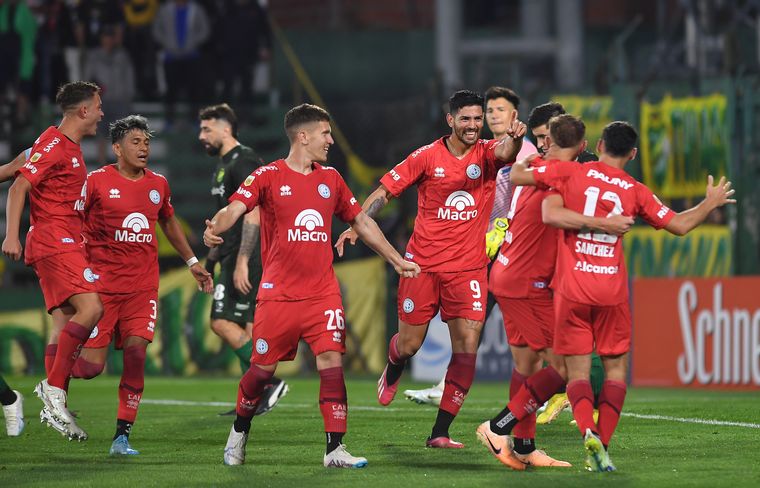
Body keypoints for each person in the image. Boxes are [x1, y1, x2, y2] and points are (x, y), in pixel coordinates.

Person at [489, 120, 735, 472]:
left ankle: (555, 428)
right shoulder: (636, 191)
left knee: (573, 373)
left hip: (572, 289)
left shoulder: (572, 173)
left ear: (599, 145)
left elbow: (522, 182)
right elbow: (679, 225)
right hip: (612, 289)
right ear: (633, 153)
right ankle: (600, 443)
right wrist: (709, 204)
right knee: (616, 370)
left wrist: (534, 156)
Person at [204, 103, 420, 468]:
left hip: (322, 293)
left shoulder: (331, 179)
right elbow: (235, 208)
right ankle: (239, 432)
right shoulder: (267, 176)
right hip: (279, 295)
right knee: (261, 372)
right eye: (325, 133)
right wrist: (216, 227)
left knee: (332, 361)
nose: (330, 140)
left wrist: (396, 259)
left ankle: (335, 449)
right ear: (303, 136)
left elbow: (362, 223)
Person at [336, 90, 526, 448]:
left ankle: (440, 432)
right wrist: (357, 223)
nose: (473, 125)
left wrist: (513, 143)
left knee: (468, 348)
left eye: (477, 118)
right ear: (450, 120)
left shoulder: (488, 152)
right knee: (410, 344)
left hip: (469, 270)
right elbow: (384, 192)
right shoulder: (426, 156)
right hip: (421, 267)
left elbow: (505, 153)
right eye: (465, 119)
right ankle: (394, 364)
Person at [475, 114, 631, 470]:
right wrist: (606, 222)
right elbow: (553, 216)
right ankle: (497, 428)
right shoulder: (565, 177)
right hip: (527, 284)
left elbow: (515, 175)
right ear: (584, 145)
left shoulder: (536, 167)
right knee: (564, 368)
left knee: (527, 365)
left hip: (506, 273)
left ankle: (526, 447)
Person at [62, 115, 212, 455]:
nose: (143, 148)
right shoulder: (96, 181)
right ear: (117, 148)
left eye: (146, 142)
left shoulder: (158, 184)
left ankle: (121, 437)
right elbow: (73, 222)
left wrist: (192, 263)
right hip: (102, 287)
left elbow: (169, 222)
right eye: (135, 142)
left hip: (143, 289)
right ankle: (55, 380)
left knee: (136, 356)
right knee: (90, 368)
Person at [403, 86, 537, 407]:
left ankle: (548, 384)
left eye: (498, 111)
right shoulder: (484, 149)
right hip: (486, 249)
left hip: (513, 249)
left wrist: (508, 229)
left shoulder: (524, 150)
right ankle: (448, 385)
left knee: (524, 321)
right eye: (488, 111)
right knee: (471, 326)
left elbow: (528, 198)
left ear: (514, 116)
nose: (491, 116)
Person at [2, 81, 104, 442]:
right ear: (83, 111)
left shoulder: (63, 147)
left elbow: (12, 170)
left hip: (64, 241)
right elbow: (18, 187)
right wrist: (11, 234)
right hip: (53, 240)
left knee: (63, 324)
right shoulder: (55, 144)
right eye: (98, 105)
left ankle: (56, 405)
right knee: (91, 308)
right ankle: (53, 390)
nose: (102, 112)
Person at [199, 103, 288, 415]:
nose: (201, 136)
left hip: (246, 256)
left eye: (207, 129)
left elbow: (256, 208)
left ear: (226, 129)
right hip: (231, 254)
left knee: (220, 321)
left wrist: (242, 260)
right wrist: (210, 263)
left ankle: (269, 382)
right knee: (248, 328)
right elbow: (223, 220)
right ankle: (252, 398)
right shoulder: (224, 165)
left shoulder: (244, 160)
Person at [526, 101, 605, 425]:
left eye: (546, 136)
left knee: (587, 335)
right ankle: (567, 393)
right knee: (556, 337)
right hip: (549, 264)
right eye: (539, 138)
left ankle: (592, 404)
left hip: (582, 261)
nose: (543, 144)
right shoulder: (544, 163)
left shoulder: (585, 164)